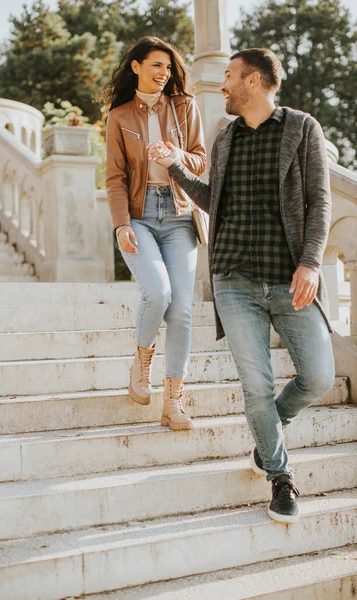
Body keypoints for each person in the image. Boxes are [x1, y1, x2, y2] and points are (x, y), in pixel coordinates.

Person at [149, 48, 335, 522]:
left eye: (230, 76)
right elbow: (216, 201)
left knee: (318, 377)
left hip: (290, 276)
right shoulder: (225, 137)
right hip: (234, 279)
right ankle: (281, 477)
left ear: (253, 81)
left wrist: (311, 263)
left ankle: (267, 430)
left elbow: (319, 201)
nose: (223, 85)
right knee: (256, 387)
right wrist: (176, 168)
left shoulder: (301, 128)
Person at [104, 36, 206, 430]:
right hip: (140, 215)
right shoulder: (119, 117)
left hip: (181, 216)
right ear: (136, 67)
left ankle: (174, 402)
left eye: (168, 67)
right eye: (155, 66)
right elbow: (114, 178)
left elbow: (199, 159)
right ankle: (141, 363)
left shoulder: (185, 107)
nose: (164, 73)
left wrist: (175, 155)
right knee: (158, 292)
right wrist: (121, 224)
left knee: (181, 309)